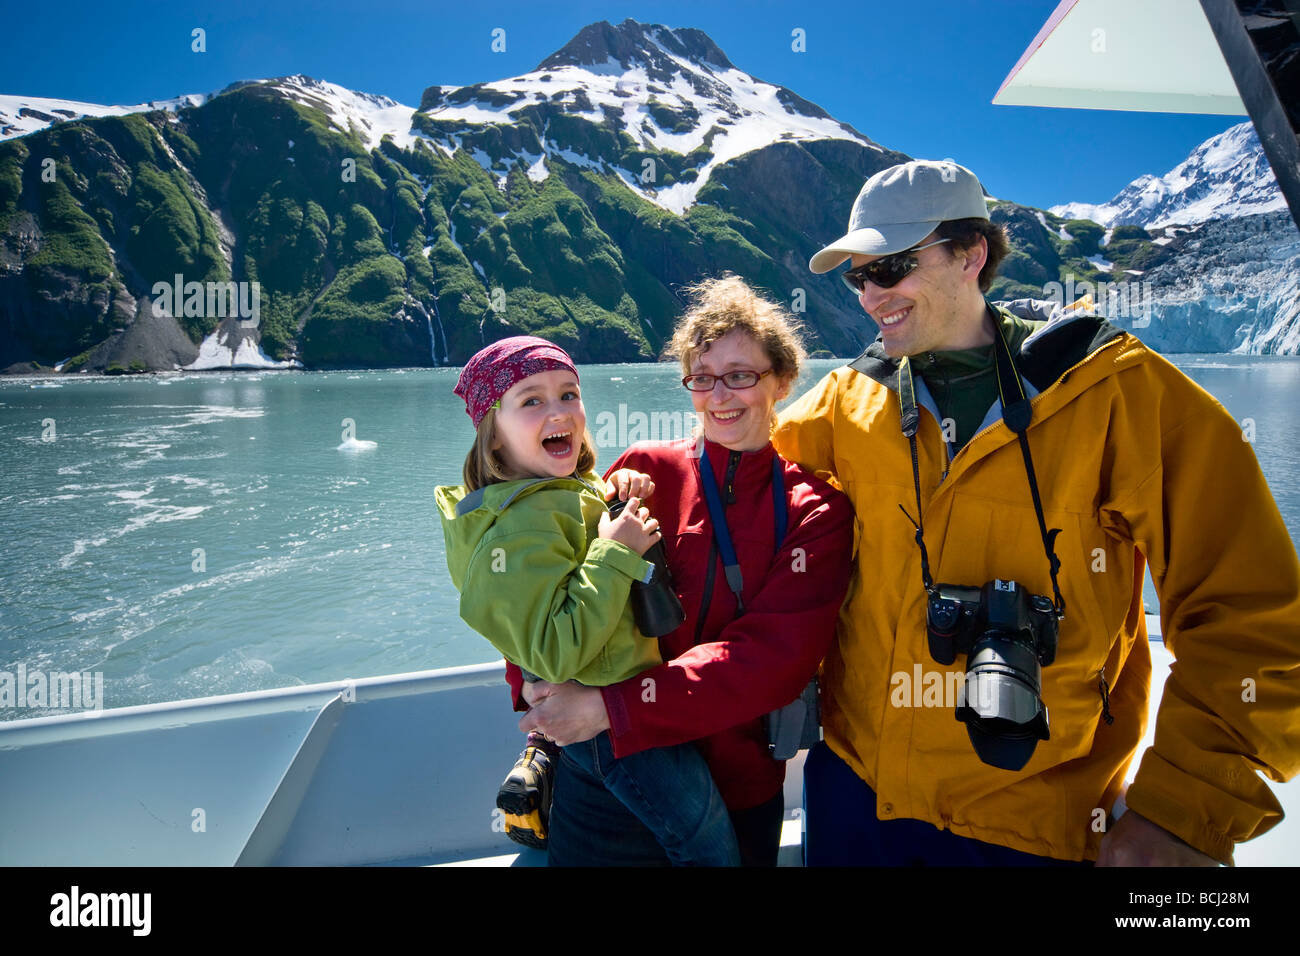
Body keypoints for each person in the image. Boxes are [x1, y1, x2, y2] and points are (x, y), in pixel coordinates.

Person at [772, 158, 1300, 865]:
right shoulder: (849, 398)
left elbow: (1252, 611)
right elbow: (736, 486)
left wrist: (1183, 812)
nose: (871, 295)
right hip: (855, 797)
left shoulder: (1113, 391)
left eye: (891, 266)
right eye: (857, 275)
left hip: (1036, 822)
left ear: (972, 254)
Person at [515, 276, 855, 866]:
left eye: (740, 375)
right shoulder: (642, 471)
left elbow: (769, 662)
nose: (719, 395)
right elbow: (547, 581)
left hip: (735, 789)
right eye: (702, 377)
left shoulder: (815, 512)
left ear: (780, 380)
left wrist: (607, 708)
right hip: (609, 779)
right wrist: (535, 690)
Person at [434, 335, 741, 866]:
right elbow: (555, 653)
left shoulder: (550, 491)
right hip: (608, 724)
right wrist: (616, 549)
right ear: (495, 437)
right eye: (531, 400)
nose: (558, 411)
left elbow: (572, 547)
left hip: (616, 710)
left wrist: (611, 492)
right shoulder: (513, 530)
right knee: (706, 840)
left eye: (569, 394)